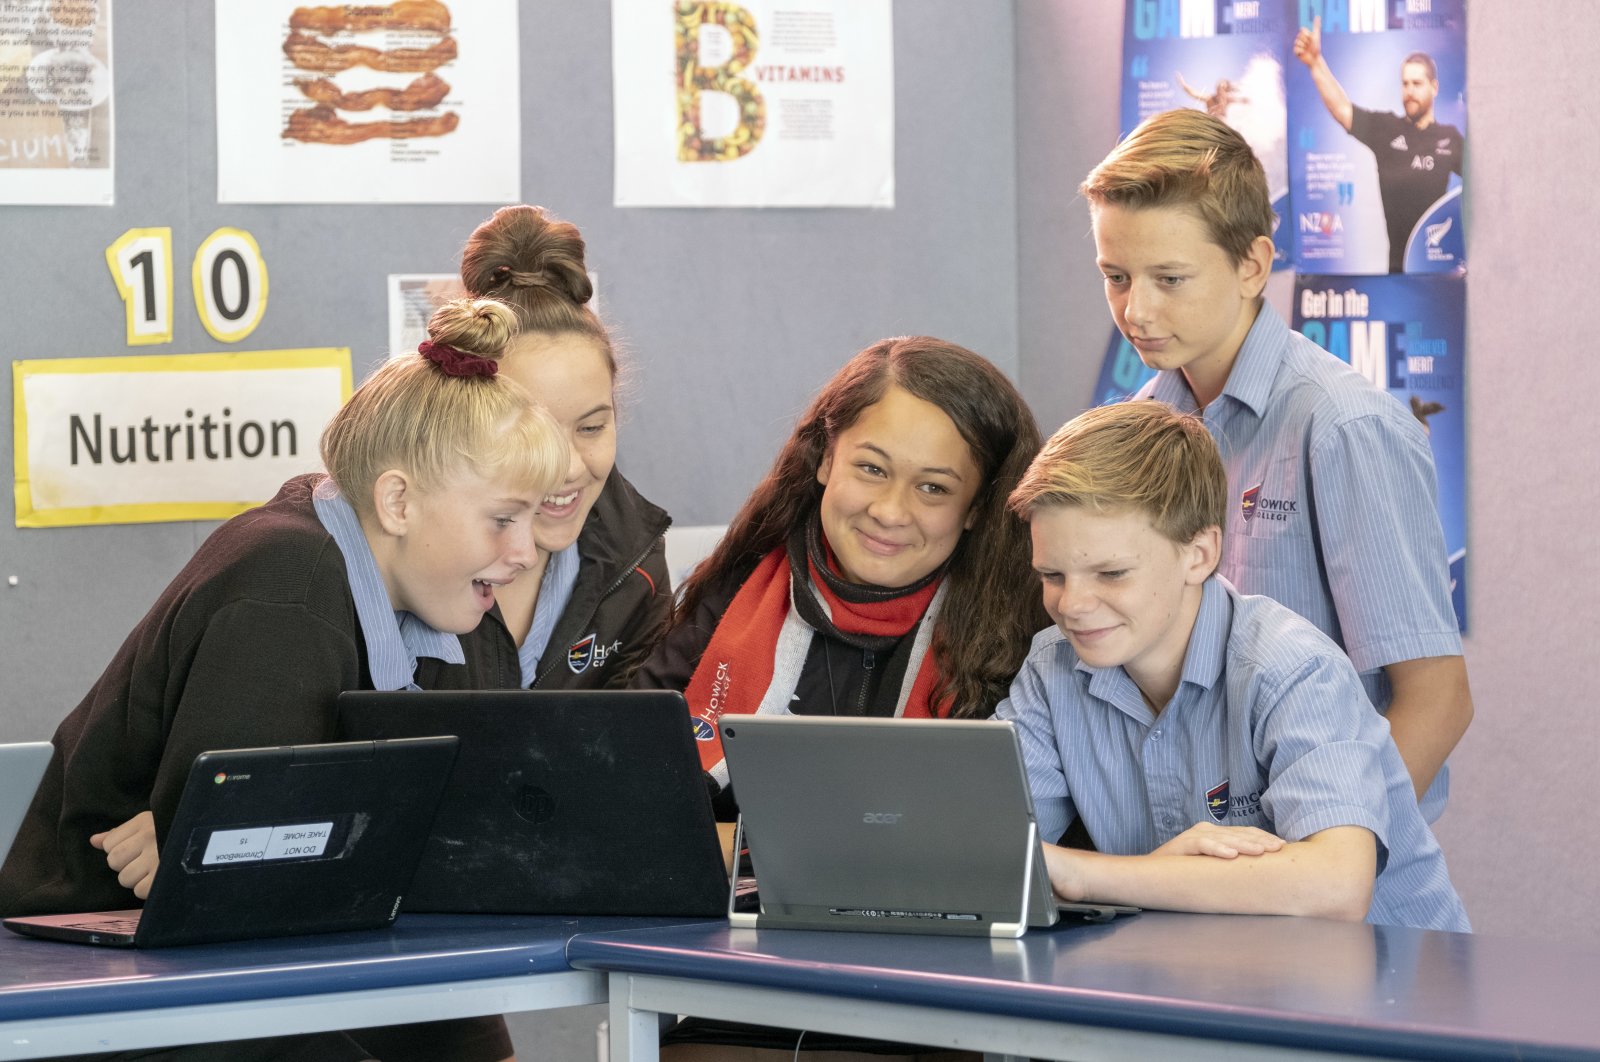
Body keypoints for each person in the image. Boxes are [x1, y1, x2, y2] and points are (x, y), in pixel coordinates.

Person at [0, 298, 566, 1062]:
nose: (526, 552)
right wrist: (251, 844)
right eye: (503, 518)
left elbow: (384, 848)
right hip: (106, 975)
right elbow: (231, 878)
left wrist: (268, 841)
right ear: (398, 501)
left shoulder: (432, 608)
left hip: (262, 947)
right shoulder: (287, 586)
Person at [635, 336, 1044, 1061]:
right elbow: (635, 805)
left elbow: (998, 852)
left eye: (933, 488)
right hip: (743, 991)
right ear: (826, 459)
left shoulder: (1025, 635)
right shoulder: (734, 591)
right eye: (871, 468)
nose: (890, 510)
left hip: (944, 1005)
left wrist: (743, 849)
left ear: (978, 507)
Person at [1081, 107, 1471, 823]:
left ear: (1253, 265)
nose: (1135, 310)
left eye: (1170, 278)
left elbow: (1437, 699)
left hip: (1318, 862)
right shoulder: (1138, 426)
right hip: (1192, 853)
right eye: (1116, 276)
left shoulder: (1343, 425)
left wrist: (1327, 856)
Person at [996, 401, 1469, 932]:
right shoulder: (1051, 669)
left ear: (1200, 554)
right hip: (1207, 965)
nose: (1072, 605)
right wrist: (1150, 875)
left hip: (1390, 973)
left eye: (1111, 573)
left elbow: (1337, 886)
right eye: (1052, 575)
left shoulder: (1293, 668)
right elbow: (976, 852)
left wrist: (1085, 876)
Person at [454, 204, 673, 691]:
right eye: (535, 434)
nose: (569, 468)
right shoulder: (391, 556)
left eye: (591, 427)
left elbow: (637, 732)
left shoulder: (636, 561)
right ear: (462, 421)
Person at [1293, 16, 1464, 272]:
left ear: (1434, 87)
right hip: (1397, 271)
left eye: (1417, 84)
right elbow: (1343, 109)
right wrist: (1316, 63)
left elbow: (1480, 188)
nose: (1409, 91)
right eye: (1405, 84)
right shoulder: (1386, 129)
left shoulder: (1449, 137)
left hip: (1440, 272)